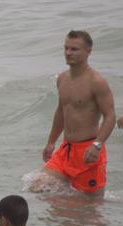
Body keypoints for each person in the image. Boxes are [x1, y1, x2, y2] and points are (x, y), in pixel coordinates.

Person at [39, 31, 115, 195]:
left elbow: (110, 116)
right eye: (66, 48)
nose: (68, 53)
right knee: (38, 186)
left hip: (88, 151)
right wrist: (51, 142)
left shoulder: (97, 82)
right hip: (66, 149)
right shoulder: (62, 79)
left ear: (88, 51)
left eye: (74, 49)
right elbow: (61, 111)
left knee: (89, 207)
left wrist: (97, 145)